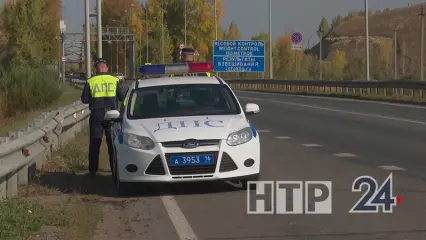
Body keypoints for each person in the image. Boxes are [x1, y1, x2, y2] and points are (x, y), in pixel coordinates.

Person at [81, 58, 125, 177]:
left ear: (96, 69)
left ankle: (93, 171)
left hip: (97, 115)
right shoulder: (114, 80)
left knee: (95, 143)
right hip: (112, 115)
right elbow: (122, 97)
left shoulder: (91, 81)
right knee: (112, 143)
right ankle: (114, 170)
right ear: (106, 68)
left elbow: (84, 100)